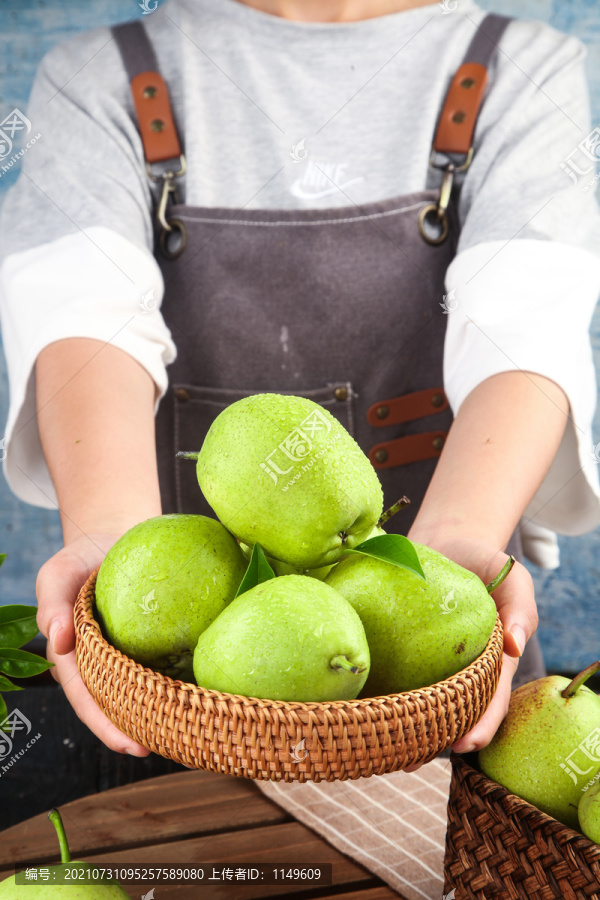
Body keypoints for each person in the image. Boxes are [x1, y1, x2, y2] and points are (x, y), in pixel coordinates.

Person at [0, 0, 599, 772]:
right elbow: (81, 313)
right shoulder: (99, 76)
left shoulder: (519, 67)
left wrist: (459, 547)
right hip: (182, 679)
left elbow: (523, 325)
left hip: (427, 667)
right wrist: (111, 538)